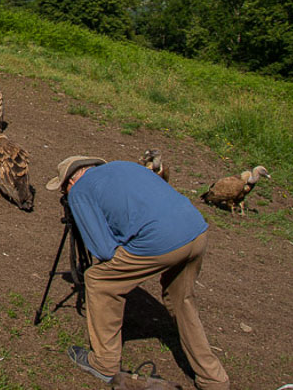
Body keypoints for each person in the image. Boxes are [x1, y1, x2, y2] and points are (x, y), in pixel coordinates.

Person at [45, 156, 230, 390]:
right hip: (196, 230)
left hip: (162, 241)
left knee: (100, 280)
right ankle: (213, 379)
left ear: (70, 181)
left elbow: (103, 250)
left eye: (64, 189)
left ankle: (104, 362)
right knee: (181, 300)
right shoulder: (126, 166)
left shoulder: (80, 190)